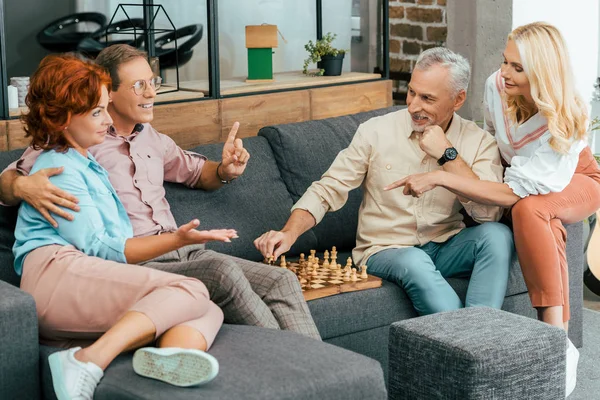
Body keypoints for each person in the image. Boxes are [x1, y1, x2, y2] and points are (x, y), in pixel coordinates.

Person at [0, 44, 320, 340]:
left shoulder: (152, 138)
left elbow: (197, 173)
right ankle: (296, 367)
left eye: (153, 81)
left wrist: (225, 170)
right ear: (108, 92)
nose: (151, 92)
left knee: (282, 280)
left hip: (186, 254)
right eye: (139, 85)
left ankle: (323, 371)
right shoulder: (83, 138)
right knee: (222, 272)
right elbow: (18, 174)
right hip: (139, 259)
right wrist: (22, 185)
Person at [384, 23, 600, 397]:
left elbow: (519, 193)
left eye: (518, 68)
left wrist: (443, 178)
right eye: (505, 61)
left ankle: (556, 340)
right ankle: (553, 343)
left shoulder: (566, 114)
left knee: (530, 211)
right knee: (529, 215)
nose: (504, 73)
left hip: (578, 179)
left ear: (543, 71)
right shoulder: (496, 87)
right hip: (523, 182)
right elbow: (495, 150)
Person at [15, 54, 235, 399]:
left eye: (105, 108)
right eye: (97, 112)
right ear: (65, 118)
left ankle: (169, 361)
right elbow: (102, 247)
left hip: (85, 278)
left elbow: (108, 250)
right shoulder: (58, 168)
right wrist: (176, 239)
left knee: (207, 308)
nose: (107, 121)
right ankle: (87, 360)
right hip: (56, 275)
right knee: (191, 290)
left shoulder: (87, 162)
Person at [254, 47, 514, 317]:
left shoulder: (479, 141)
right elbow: (327, 189)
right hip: (386, 249)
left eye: (427, 98)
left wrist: (448, 154)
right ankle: (479, 338)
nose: (414, 106)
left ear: (458, 99)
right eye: (412, 92)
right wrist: (289, 232)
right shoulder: (375, 131)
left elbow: (487, 214)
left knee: (498, 236)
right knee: (414, 261)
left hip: (446, 243)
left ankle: (481, 330)